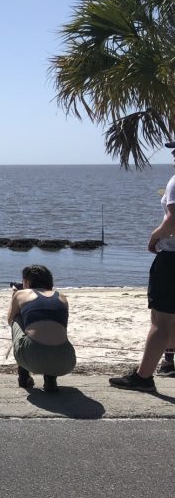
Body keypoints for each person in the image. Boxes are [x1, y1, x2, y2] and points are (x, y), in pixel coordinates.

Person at [109, 141, 175, 392]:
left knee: (161, 319)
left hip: (172, 259)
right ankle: (157, 367)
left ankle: (143, 377)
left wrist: (154, 236)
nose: (173, 154)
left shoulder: (174, 181)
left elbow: (173, 220)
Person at [7, 265, 76, 392]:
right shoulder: (62, 297)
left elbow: (10, 320)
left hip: (31, 359)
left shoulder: (21, 293)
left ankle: (23, 377)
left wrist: (15, 296)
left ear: (27, 281)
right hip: (66, 361)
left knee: (17, 318)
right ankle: (50, 380)